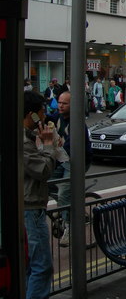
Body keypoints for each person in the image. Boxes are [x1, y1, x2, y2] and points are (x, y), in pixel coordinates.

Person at [23, 90, 56, 299]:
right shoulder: (23, 143)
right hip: (31, 209)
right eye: (42, 112)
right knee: (42, 267)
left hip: (30, 208)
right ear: (32, 115)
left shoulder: (27, 137)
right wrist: (48, 146)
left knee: (30, 267)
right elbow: (42, 171)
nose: (44, 117)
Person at [51, 91, 92, 247]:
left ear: (72, 105)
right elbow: (46, 119)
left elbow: (69, 147)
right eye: (59, 102)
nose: (60, 106)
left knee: (64, 192)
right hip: (63, 159)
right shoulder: (58, 117)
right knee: (45, 182)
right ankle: (65, 206)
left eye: (64, 103)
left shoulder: (77, 123)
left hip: (77, 161)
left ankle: (69, 227)